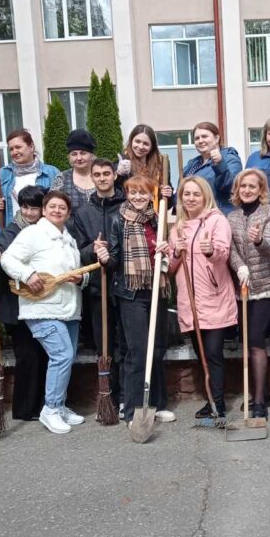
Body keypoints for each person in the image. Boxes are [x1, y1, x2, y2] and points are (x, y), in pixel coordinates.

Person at [1, 190, 89, 434]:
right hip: (41, 308)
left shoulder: (68, 238)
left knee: (67, 357)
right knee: (61, 355)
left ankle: (59, 405)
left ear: (68, 213)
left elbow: (78, 271)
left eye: (62, 207)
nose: (57, 210)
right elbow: (8, 259)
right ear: (44, 209)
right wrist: (27, 275)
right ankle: (50, 410)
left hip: (69, 308)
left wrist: (81, 279)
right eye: (52, 206)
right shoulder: (33, 233)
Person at [97, 175, 176, 424]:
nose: (138, 197)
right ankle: (133, 409)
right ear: (127, 194)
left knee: (157, 349)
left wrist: (166, 251)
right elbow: (114, 259)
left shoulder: (157, 218)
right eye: (133, 193)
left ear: (151, 195)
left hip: (157, 290)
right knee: (138, 352)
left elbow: (164, 256)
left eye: (143, 192)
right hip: (131, 294)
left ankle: (156, 404)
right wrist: (104, 257)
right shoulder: (117, 219)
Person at [161, 176, 237, 419]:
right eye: (186, 194)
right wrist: (176, 252)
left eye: (196, 194)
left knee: (213, 353)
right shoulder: (178, 227)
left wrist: (210, 250)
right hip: (189, 300)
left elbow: (223, 253)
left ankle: (218, 404)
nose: (191, 198)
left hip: (214, 298)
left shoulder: (217, 220)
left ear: (205, 197)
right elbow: (171, 268)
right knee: (201, 353)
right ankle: (210, 400)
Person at [0, 186, 48, 421]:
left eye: (35, 208)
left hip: (40, 302)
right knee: (28, 356)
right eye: (25, 207)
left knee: (42, 354)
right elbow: (0, 253)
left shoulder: (47, 230)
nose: (29, 212)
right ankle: (25, 408)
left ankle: (42, 404)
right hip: (16, 307)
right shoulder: (11, 231)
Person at [227, 169, 270, 418]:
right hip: (242, 287)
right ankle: (265, 392)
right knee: (246, 340)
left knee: (256, 338)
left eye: (252, 186)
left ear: (261, 190)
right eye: (243, 186)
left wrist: (259, 240)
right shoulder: (232, 217)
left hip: (265, 287)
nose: (247, 190)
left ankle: (259, 401)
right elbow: (230, 249)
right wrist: (240, 267)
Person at [69, 159, 125, 396]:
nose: (102, 178)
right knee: (104, 344)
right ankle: (109, 394)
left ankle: (126, 396)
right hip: (97, 287)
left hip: (124, 285)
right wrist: (93, 249)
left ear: (114, 176)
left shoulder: (126, 207)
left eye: (106, 173)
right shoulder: (83, 212)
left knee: (125, 342)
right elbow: (77, 250)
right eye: (97, 174)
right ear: (92, 178)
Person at [0, 129, 60, 234]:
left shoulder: (51, 173)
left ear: (31, 147)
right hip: (12, 234)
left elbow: (61, 203)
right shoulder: (2, 174)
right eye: (11, 149)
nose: (14, 152)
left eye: (18, 147)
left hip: (45, 233)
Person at [181, 122, 239, 213]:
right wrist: (169, 194)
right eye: (197, 138)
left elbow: (232, 186)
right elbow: (181, 192)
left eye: (204, 136)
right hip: (194, 216)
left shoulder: (229, 158)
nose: (200, 141)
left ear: (217, 138)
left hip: (219, 215)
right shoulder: (192, 164)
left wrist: (220, 164)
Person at [117, 124, 172, 195]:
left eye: (146, 144)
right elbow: (115, 192)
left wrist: (168, 192)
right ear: (131, 141)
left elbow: (168, 188)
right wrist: (119, 175)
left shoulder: (161, 163)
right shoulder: (122, 162)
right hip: (130, 202)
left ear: (152, 146)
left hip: (155, 202)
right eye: (137, 141)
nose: (140, 147)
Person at [51, 128, 97, 212]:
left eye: (83, 153)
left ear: (92, 155)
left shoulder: (102, 175)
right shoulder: (62, 179)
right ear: (69, 157)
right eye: (74, 154)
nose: (78, 158)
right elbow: (52, 209)